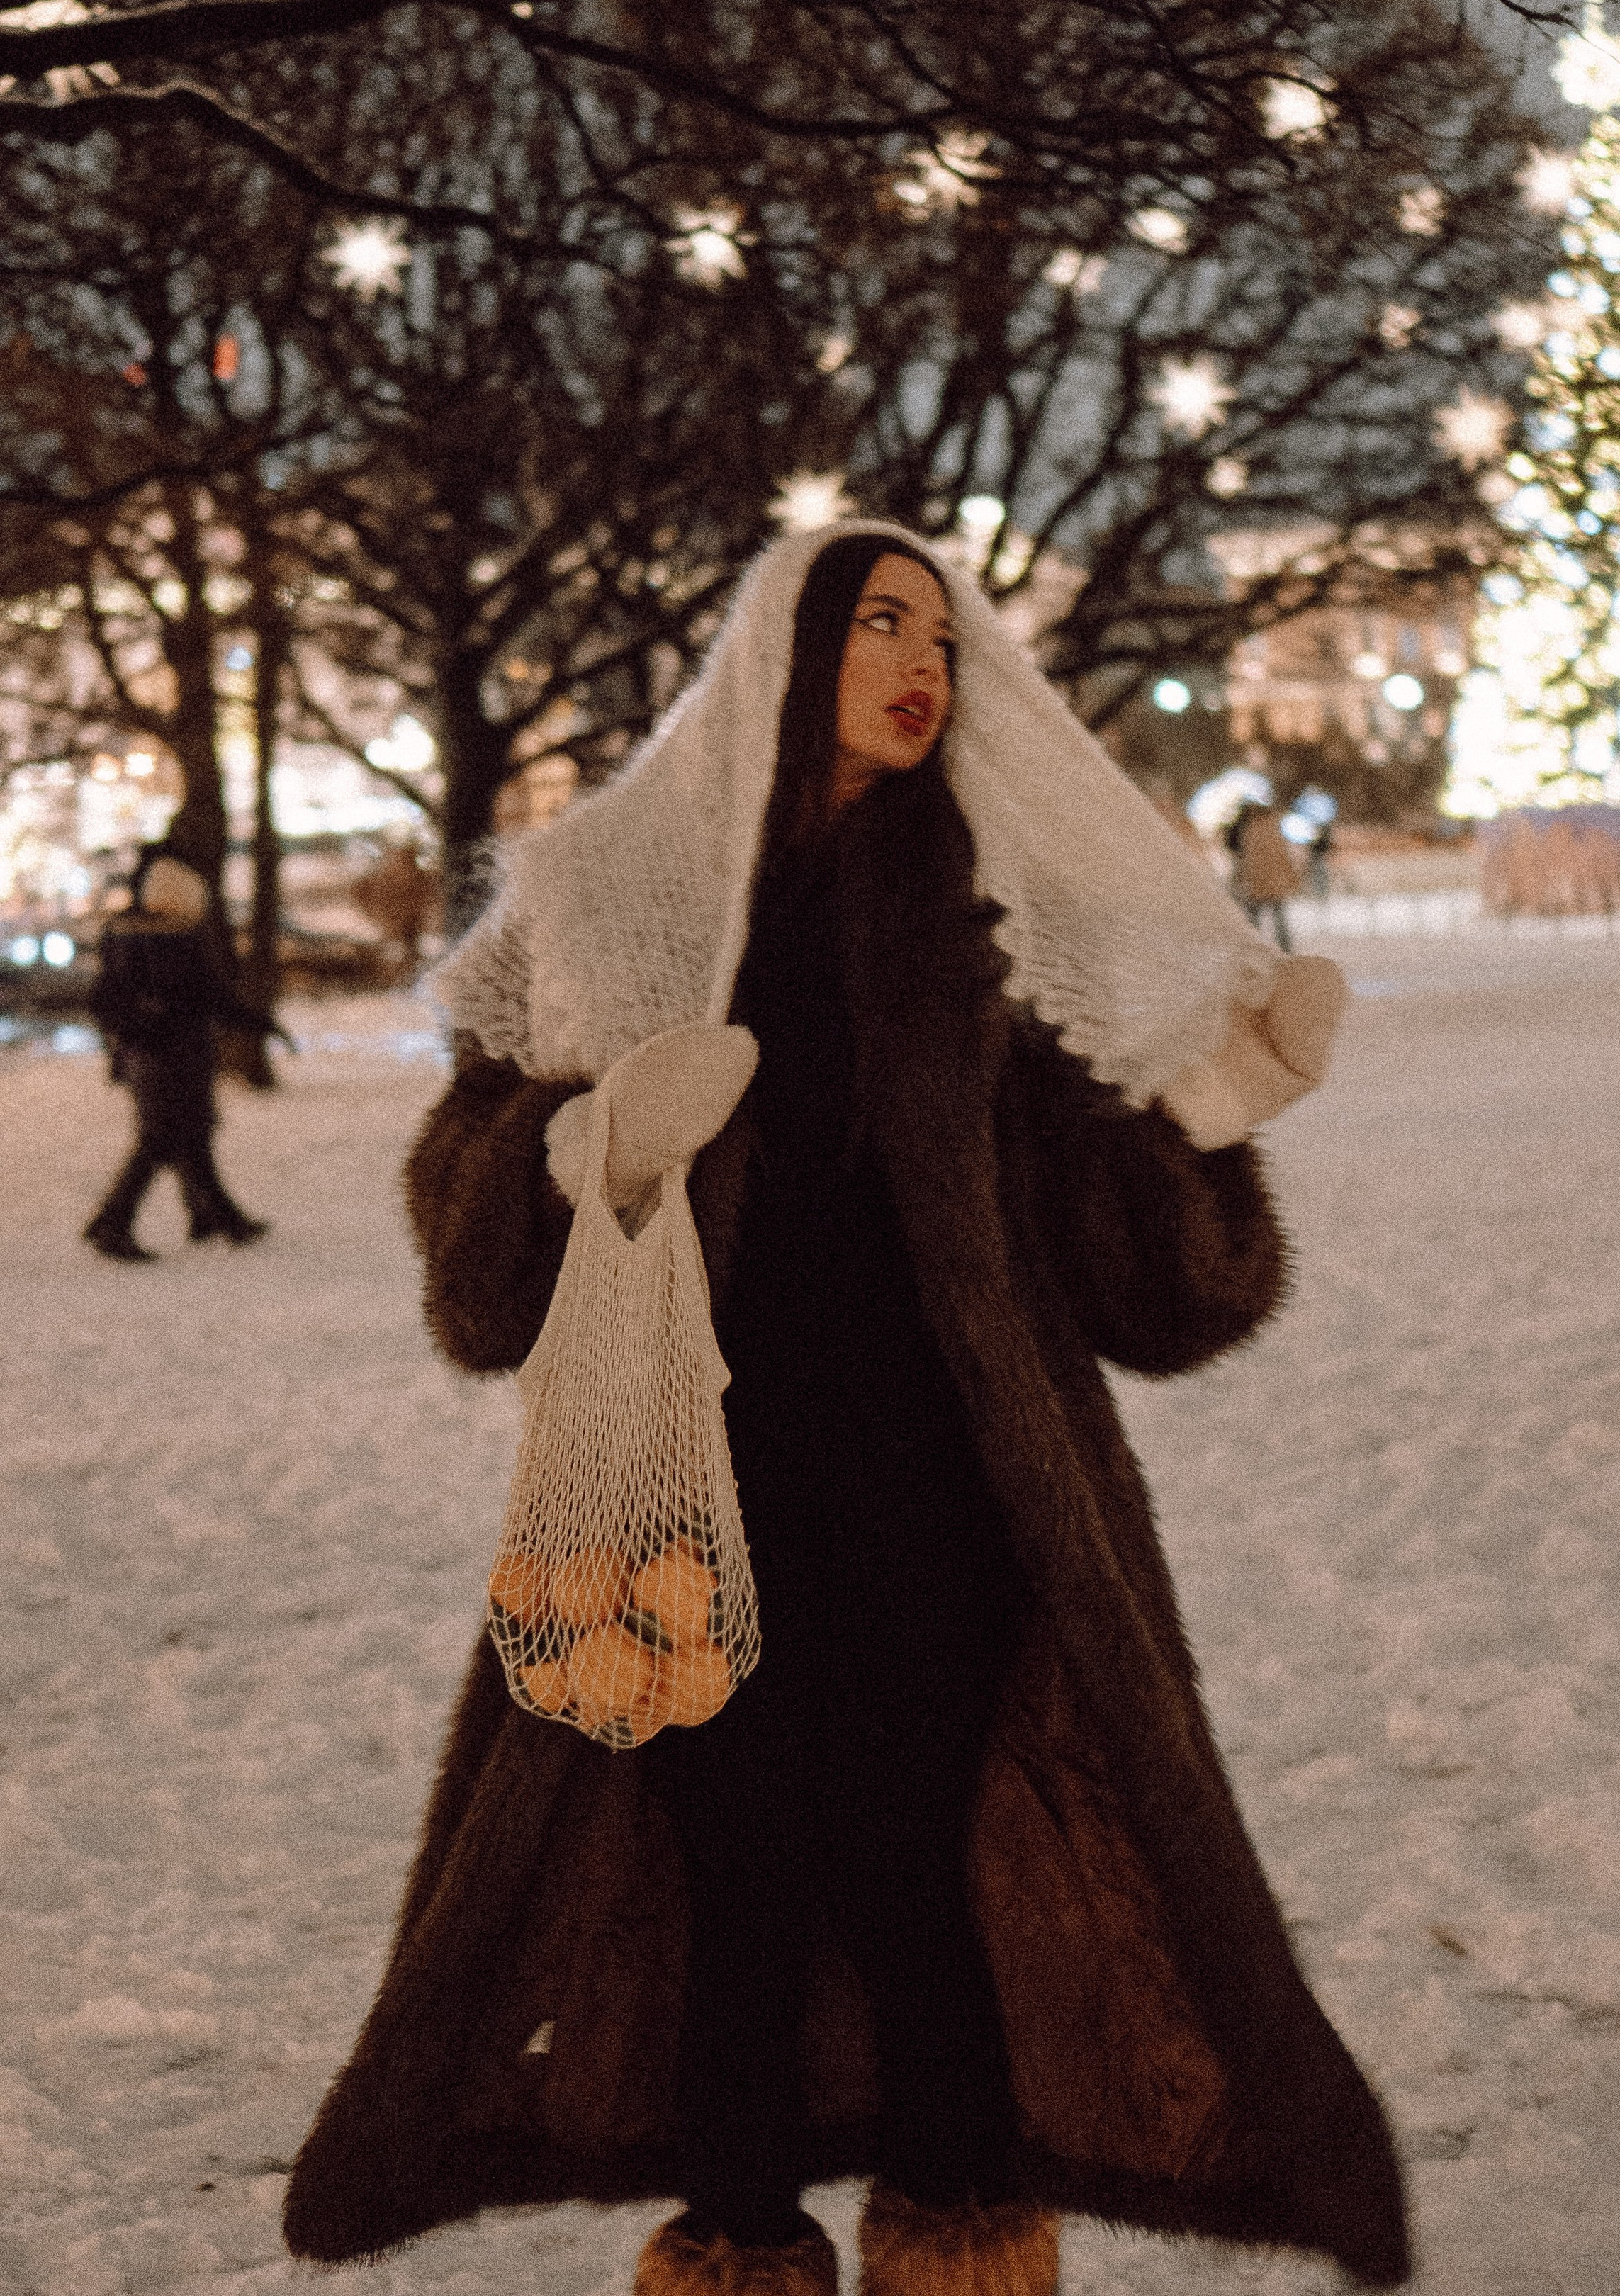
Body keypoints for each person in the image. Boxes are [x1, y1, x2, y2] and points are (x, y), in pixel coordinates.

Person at [284, 526, 1407, 2296]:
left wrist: (1201, 1111)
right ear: (779, 652)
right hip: (676, 1485)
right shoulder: (607, 898)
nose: (919, 668)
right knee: (732, 1871)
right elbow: (475, 1269)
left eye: (940, 638)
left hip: (947, 1489)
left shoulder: (991, 909)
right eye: (878, 624)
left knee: (902, 1852)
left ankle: (954, 2226)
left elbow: (1154, 1297)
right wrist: (587, 1154)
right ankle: (740, 2235)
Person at [83, 846, 270, 1260]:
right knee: (163, 1139)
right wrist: (254, 1022)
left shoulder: (127, 936)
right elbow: (209, 996)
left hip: (157, 1055)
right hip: (171, 1056)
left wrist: (131, 1037)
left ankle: (211, 1216)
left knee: (192, 1134)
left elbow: (107, 1002)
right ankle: (113, 1223)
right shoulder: (170, 941)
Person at [1226, 796, 1300, 950]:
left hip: (1258, 882)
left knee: (1254, 919)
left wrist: (1241, 879)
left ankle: (1254, 947)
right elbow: (1284, 857)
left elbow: (1248, 859)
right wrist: (1291, 877)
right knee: (1279, 919)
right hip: (1275, 882)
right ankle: (1286, 949)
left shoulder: (1250, 831)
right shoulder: (1274, 830)